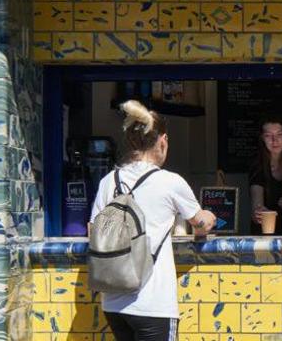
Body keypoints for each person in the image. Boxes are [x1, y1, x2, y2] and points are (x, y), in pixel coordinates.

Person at [90, 100, 217, 341]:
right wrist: (209, 218)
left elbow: (93, 229)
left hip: (114, 303)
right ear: (163, 141)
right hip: (153, 303)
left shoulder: (109, 181)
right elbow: (200, 223)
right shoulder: (170, 182)